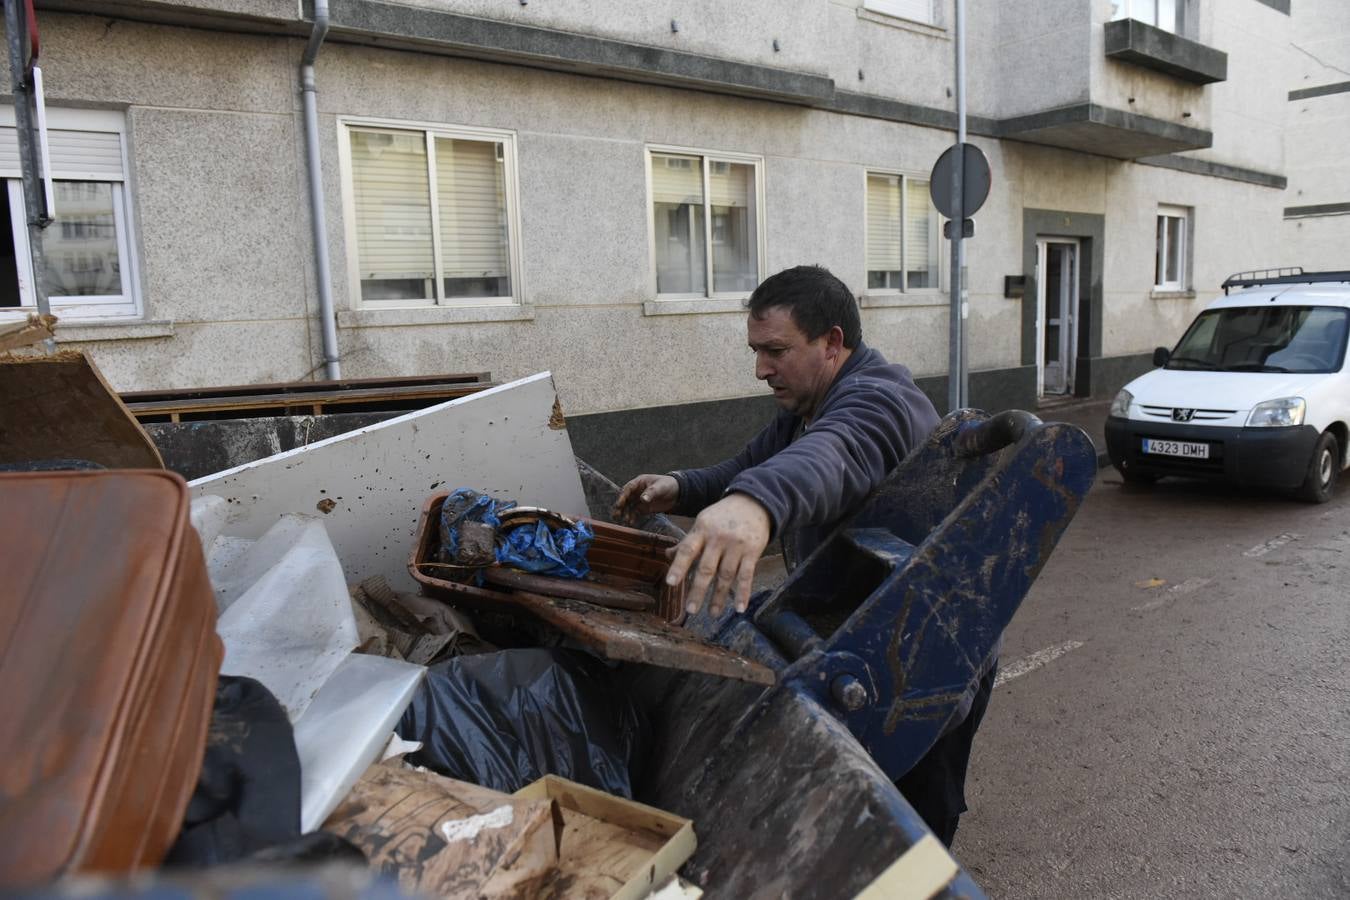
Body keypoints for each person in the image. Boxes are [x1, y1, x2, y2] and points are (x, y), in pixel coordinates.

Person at [612, 264, 993, 846]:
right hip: (861, 628)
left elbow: (834, 455)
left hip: (929, 649)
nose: (761, 368)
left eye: (776, 350)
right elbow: (748, 466)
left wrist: (757, 506)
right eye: (756, 350)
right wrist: (681, 485)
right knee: (859, 813)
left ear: (832, 343)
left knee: (912, 819)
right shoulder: (809, 405)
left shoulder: (878, 401)